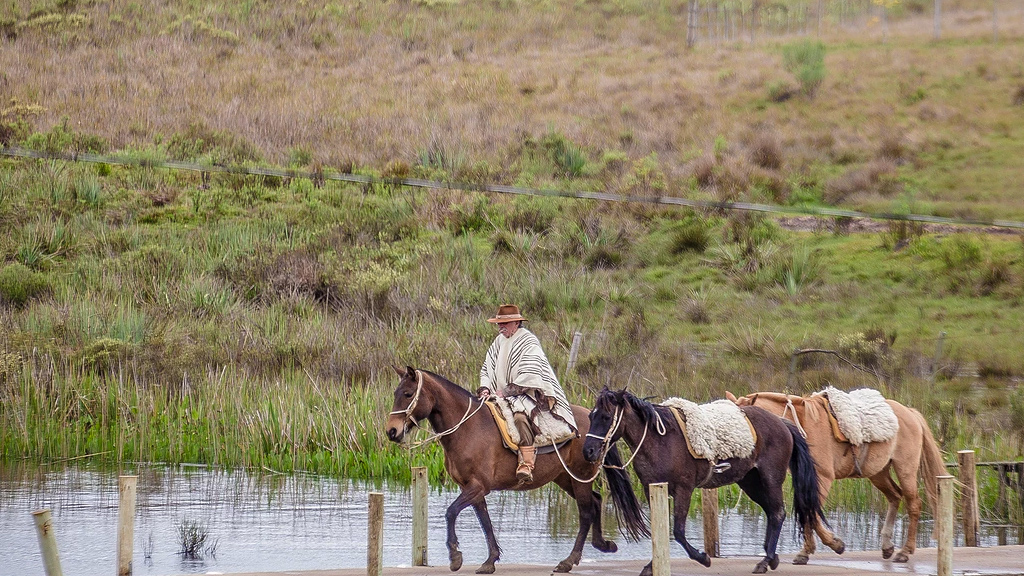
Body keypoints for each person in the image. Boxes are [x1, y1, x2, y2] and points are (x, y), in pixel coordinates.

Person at [477, 304, 576, 483]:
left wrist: (506, 392)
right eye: (499, 323)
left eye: (504, 323)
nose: (500, 327)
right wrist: (485, 388)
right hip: (499, 394)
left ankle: (527, 463)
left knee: (520, 418)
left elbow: (530, 374)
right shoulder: (498, 341)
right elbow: (486, 368)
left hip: (526, 394)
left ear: (516, 322)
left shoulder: (528, 341)